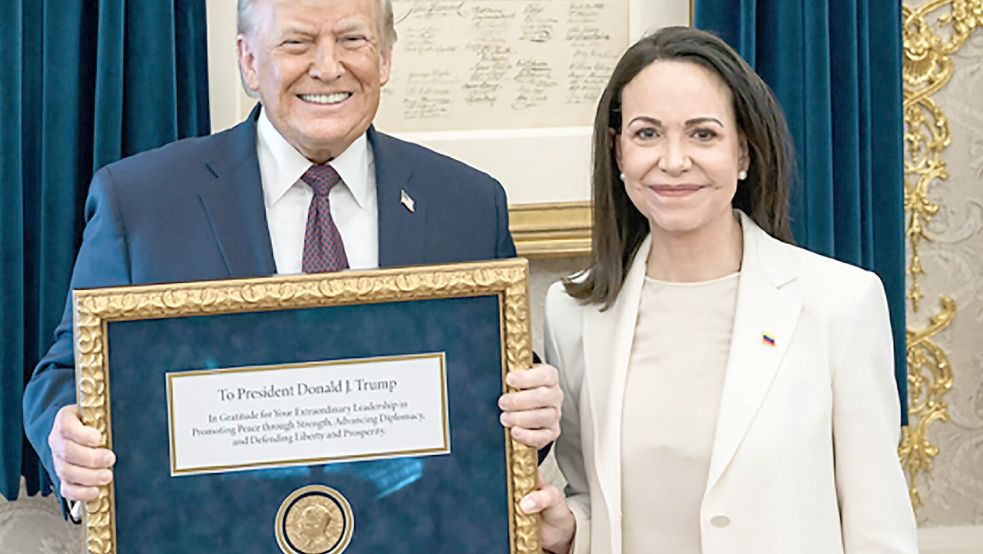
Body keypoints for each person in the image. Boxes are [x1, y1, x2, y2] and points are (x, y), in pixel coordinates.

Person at [22, 0, 561, 514]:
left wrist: (531, 408)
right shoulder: (140, 203)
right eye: (297, 43)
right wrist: (67, 438)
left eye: (353, 40)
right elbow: (67, 373)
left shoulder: (467, 204)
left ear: (386, 57)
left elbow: (494, 384)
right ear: (249, 61)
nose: (328, 68)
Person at [520, 27, 918, 553]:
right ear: (617, 153)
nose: (674, 160)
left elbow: (878, 527)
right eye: (646, 134)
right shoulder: (573, 310)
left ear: (745, 153)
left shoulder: (840, 303)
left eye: (703, 134)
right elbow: (590, 498)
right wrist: (568, 530)